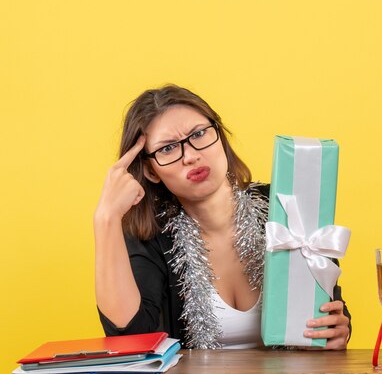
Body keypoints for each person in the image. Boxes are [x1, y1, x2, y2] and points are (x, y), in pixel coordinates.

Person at [94, 84, 351, 349]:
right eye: (168, 149)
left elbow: (329, 305)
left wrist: (338, 329)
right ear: (151, 171)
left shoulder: (286, 206)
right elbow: (131, 338)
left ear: (220, 134)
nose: (191, 156)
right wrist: (106, 218)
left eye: (199, 134)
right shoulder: (152, 237)